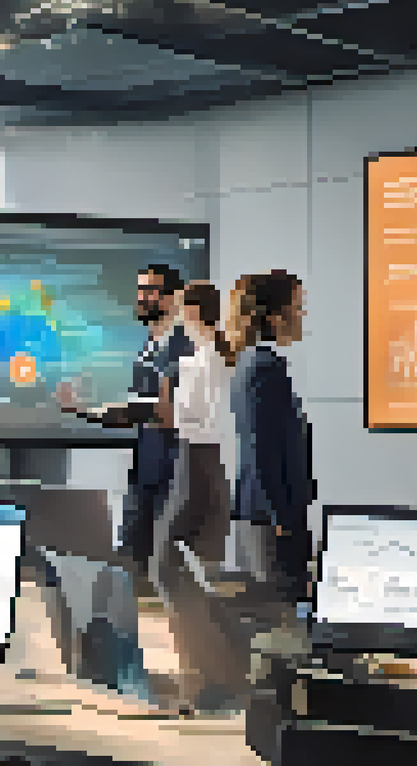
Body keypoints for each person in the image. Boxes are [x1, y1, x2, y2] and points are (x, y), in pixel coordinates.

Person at [57, 264, 194, 581]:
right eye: (140, 290)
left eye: (151, 290)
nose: (142, 297)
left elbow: (162, 413)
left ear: (174, 298)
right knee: (132, 564)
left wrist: (88, 410)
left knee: (165, 573)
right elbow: (139, 412)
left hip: (173, 475)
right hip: (145, 472)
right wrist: (85, 410)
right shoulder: (149, 348)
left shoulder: (184, 349)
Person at [150, 281, 249, 709]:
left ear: (192, 312)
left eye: (180, 309)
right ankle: (212, 678)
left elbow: (188, 421)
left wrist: (162, 405)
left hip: (199, 465)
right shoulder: (215, 357)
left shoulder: (203, 361)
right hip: (207, 467)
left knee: (166, 567)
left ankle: (216, 674)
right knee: (193, 578)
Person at [229, 270, 314, 608]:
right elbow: (262, 447)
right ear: (276, 317)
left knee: (272, 608)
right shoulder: (266, 367)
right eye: (298, 306)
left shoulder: (251, 361)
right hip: (272, 515)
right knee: (281, 610)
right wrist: (281, 517)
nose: (302, 315)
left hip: (263, 510)